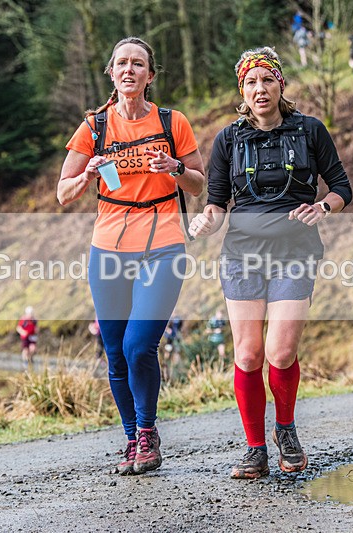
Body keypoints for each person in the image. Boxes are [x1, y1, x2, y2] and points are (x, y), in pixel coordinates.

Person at [189, 47, 352, 479]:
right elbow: (216, 203)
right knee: (248, 355)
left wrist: (323, 207)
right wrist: (206, 222)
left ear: (280, 84)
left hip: (295, 253)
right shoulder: (228, 139)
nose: (259, 89)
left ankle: (286, 429)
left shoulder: (310, 130)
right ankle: (255, 448)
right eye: (250, 82)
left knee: (280, 352)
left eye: (266, 80)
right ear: (242, 91)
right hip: (242, 256)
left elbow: (341, 186)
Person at [57, 37, 205, 476]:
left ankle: (147, 431)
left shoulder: (172, 122)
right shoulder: (94, 127)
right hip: (109, 248)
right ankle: (131, 439)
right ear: (111, 72)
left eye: (138, 64)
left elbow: (200, 184)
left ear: (149, 75)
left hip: (163, 243)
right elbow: (63, 194)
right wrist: (86, 174)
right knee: (115, 351)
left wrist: (175, 168)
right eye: (121, 63)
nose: (129, 70)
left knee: (139, 345)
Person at [16, 306, 38, 370]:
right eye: (29, 313)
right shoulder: (23, 320)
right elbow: (18, 328)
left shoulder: (34, 320)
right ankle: (24, 362)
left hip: (32, 336)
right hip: (25, 337)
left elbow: (36, 328)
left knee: (33, 349)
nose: (30, 315)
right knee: (25, 350)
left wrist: (36, 331)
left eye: (31, 313)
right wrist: (23, 332)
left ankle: (30, 360)